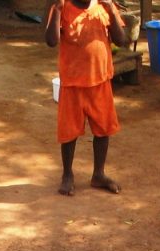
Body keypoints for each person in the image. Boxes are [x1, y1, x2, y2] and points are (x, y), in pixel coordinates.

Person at [45, 0, 128, 196]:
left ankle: (99, 174)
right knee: (69, 132)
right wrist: (56, 10)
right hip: (73, 84)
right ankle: (67, 175)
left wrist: (112, 12)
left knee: (103, 129)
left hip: (100, 81)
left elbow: (121, 40)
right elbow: (51, 41)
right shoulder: (62, 7)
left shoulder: (104, 7)